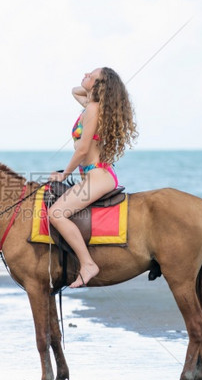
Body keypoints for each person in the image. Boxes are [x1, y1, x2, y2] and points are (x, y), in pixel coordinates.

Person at [48, 67, 138, 288]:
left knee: (56, 213)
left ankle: (88, 264)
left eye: (92, 75)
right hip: (97, 173)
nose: (85, 73)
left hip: (97, 176)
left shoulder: (93, 110)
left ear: (99, 87)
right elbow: (74, 91)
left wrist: (64, 176)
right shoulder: (93, 106)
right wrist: (92, 84)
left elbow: (81, 151)